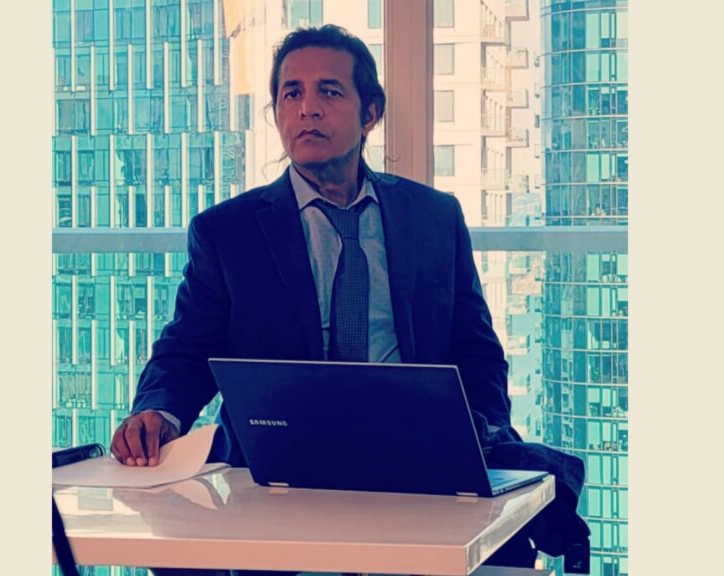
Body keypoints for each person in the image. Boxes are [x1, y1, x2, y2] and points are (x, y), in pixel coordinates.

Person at [110, 25, 589, 573]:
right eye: (291, 93)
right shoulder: (228, 231)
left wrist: (478, 439)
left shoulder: (433, 218)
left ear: (371, 113)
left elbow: (477, 350)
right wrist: (159, 411)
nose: (307, 109)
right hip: (277, 474)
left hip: (419, 465)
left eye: (330, 91)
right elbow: (187, 349)